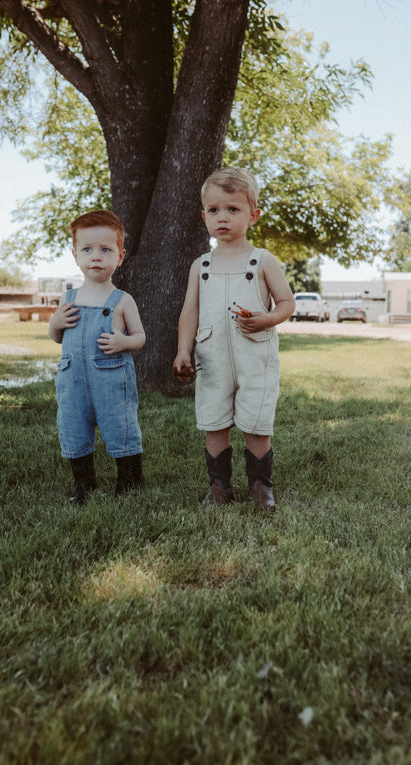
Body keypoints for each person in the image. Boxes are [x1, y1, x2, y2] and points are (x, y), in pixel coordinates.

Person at [173, 167, 295, 511]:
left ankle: (260, 485)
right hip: (211, 358)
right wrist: (184, 350)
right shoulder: (202, 265)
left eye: (232, 209)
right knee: (215, 420)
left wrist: (267, 319)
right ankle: (219, 486)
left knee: (256, 420)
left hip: (254, 356)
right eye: (213, 210)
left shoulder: (262, 261)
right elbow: (189, 312)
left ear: (252, 215)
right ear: (203, 216)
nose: (221, 217)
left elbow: (287, 303)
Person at [49, 210, 145, 503]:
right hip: (73, 379)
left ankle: (129, 480)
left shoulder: (122, 300)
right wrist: (56, 323)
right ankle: (83, 483)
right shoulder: (68, 299)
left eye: (106, 250)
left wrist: (122, 341)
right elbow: (56, 336)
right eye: (87, 250)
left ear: (120, 256)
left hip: (111, 378)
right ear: (75, 255)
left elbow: (140, 338)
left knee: (120, 425)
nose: (96, 257)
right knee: (73, 426)